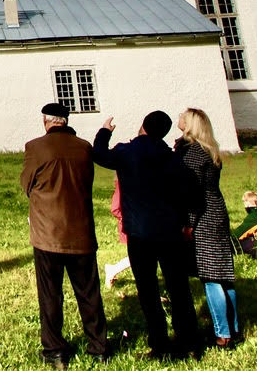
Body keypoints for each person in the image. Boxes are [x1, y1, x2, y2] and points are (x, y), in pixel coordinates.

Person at [92, 111, 200, 359]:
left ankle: (160, 343)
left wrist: (105, 131)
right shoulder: (171, 157)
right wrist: (183, 220)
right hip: (170, 232)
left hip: (140, 232)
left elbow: (99, 154)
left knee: (148, 291)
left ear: (142, 126)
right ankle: (189, 342)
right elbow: (189, 192)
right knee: (178, 288)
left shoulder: (127, 152)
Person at [20, 102, 108, 369]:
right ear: (66, 121)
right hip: (80, 231)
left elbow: (26, 184)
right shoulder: (83, 148)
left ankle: (55, 350)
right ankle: (99, 348)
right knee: (89, 293)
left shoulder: (35, 147)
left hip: (48, 234)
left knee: (50, 294)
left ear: (46, 121)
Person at [175, 108, 239, 349]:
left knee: (211, 276)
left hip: (203, 216)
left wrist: (189, 223)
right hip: (217, 210)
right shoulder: (210, 150)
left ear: (190, 124)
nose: (178, 119)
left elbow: (193, 192)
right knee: (224, 275)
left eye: (182, 116)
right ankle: (233, 326)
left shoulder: (193, 154)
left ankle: (223, 334)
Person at [103, 176, 130, 288]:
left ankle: (113, 269)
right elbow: (115, 208)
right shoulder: (123, 181)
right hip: (130, 224)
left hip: (140, 223)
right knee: (142, 256)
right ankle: (113, 269)